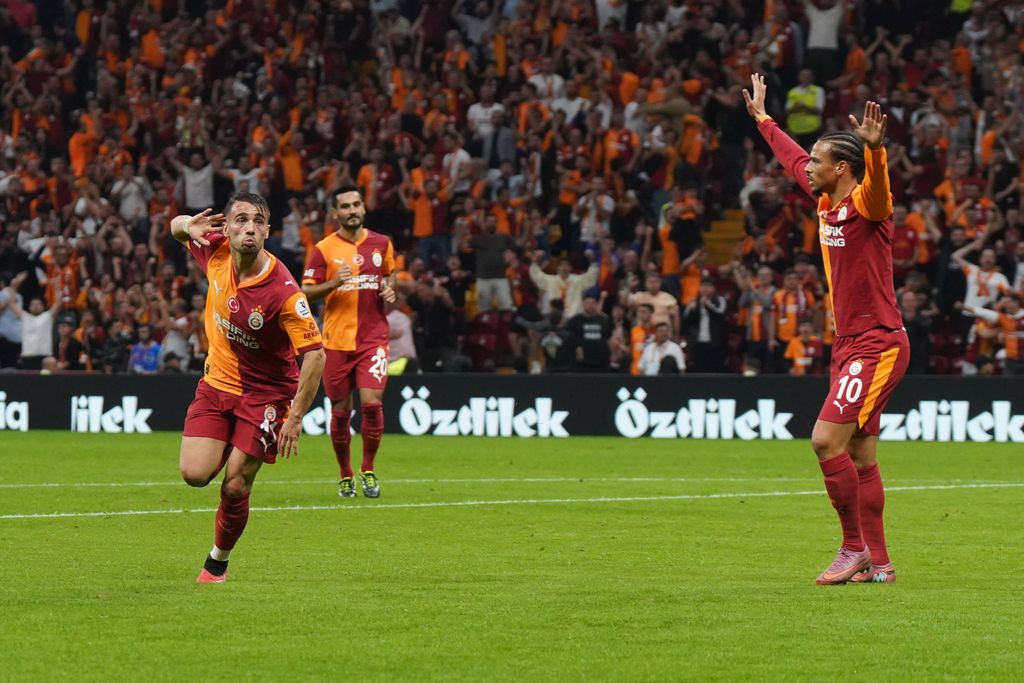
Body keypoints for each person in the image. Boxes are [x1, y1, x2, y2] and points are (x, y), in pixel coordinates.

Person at [746, 73, 909, 584]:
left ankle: (853, 548)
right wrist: (764, 121)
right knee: (859, 453)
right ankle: (880, 564)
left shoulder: (866, 204)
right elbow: (792, 159)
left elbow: (879, 190)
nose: (808, 167)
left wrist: (876, 151)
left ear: (842, 168)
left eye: (818, 161)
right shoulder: (825, 202)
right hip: (848, 344)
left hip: (878, 343)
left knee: (824, 441)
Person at [171, 192, 326, 584]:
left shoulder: (284, 291)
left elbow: (315, 355)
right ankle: (230, 443)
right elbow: (175, 228)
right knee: (193, 473)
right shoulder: (215, 250)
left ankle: (217, 563)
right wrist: (186, 224)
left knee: (236, 483)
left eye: (258, 221)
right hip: (216, 384)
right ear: (226, 227)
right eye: (241, 220)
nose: (249, 228)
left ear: (268, 231)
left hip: (266, 396)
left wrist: (295, 418)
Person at [302, 184, 398, 499]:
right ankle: (345, 474)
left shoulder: (382, 243)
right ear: (335, 213)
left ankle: (367, 469)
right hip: (336, 342)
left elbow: (390, 275)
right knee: (341, 412)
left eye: (356, 204)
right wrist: (334, 282)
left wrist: (390, 289)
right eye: (345, 206)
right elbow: (305, 292)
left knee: (372, 404)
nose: (352, 210)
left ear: (363, 208)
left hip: (373, 340)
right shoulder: (323, 249)